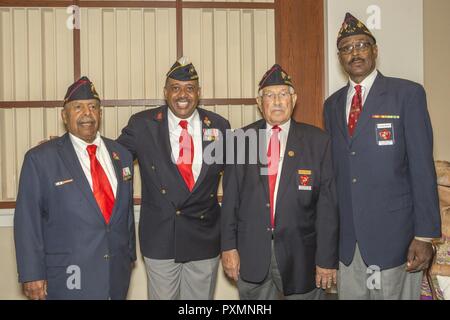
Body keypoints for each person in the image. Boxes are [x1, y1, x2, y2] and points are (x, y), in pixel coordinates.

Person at [323, 12, 441, 300]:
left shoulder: (407, 94)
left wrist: (425, 236)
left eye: (362, 45)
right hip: (349, 245)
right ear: (340, 58)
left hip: (396, 241)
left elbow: (422, 168)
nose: (355, 53)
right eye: (347, 48)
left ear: (375, 50)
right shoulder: (332, 105)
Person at [221, 64, 339, 300]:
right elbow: (230, 200)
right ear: (259, 101)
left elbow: (327, 207)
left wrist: (326, 259)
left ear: (293, 99)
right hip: (251, 255)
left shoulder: (318, 141)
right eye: (269, 95)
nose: (276, 101)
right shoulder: (239, 140)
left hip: (302, 257)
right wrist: (228, 247)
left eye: (283, 94)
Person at [117, 57, 231, 300]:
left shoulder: (220, 126)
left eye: (189, 88)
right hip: (160, 237)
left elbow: (236, 179)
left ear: (199, 93)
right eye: (175, 88)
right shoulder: (143, 124)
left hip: (204, 236)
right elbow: (112, 158)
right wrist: (73, 151)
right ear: (165, 92)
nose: (183, 94)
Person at [14, 77, 136, 300]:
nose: (86, 113)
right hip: (68, 276)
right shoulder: (41, 159)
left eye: (93, 107)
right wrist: (31, 274)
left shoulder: (122, 155)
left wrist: (129, 256)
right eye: (77, 107)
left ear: (100, 113)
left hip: (115, 275)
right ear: (64, 116)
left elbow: (125, 213)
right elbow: (27, 221)